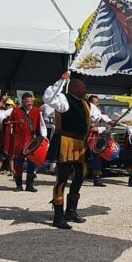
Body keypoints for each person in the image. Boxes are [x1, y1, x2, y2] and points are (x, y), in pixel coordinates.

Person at [44, 73, 93, 229]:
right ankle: (58, 217)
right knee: (62, 178)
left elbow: (97, 118)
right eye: (82, 86)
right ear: (74, 87)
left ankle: (71, 211)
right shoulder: (63, 100)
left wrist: (108, 122)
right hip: (65, 141)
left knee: (81, 175)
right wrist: (62, 79)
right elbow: (48, 98)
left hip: (80, 143)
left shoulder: (86, 104)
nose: (85, 88)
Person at [0, 92, 48, 192]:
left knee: (31, 164)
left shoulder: (37, 111)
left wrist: (44, 137)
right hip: (18, 142)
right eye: (27, 102)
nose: (29, 103)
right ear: (22, 102)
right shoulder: (15, 110)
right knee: (18, 164)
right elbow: (0, 114)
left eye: (31, 101)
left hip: (32, 142)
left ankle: (29, 185)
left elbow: (42, 125)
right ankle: (19, 185)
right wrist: (4, 121)